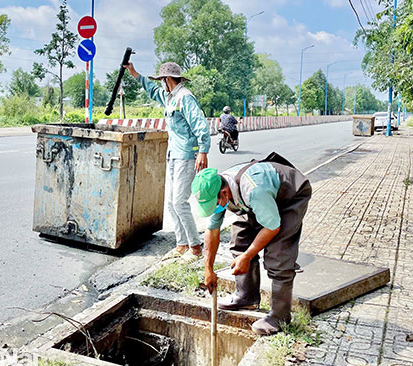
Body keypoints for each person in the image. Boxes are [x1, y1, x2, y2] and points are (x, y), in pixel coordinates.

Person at [191, 153, 311, 335]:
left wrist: (247, 256)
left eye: (214, 204)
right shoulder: (217, 188)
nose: (214, 209)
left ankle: (280, 316)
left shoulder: (254, 190)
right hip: (257, 200)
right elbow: (212, 230)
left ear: (224, 194)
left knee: (278, 255)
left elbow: (272, 227)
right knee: (240, 240)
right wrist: (208, 268)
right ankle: (246, 297)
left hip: (289, 196)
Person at [124, 61, 210, 262]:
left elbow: (200, 125)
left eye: (162, 79)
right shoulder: (171, 97)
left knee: (180, 202)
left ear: (166, 79)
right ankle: (182, 244)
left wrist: (202, 152)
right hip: (174, 155)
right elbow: (152, 91)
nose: (161, 83)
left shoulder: (185, 98)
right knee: (172, 203)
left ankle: (195, 248)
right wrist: (134, 73)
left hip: (187, 156)